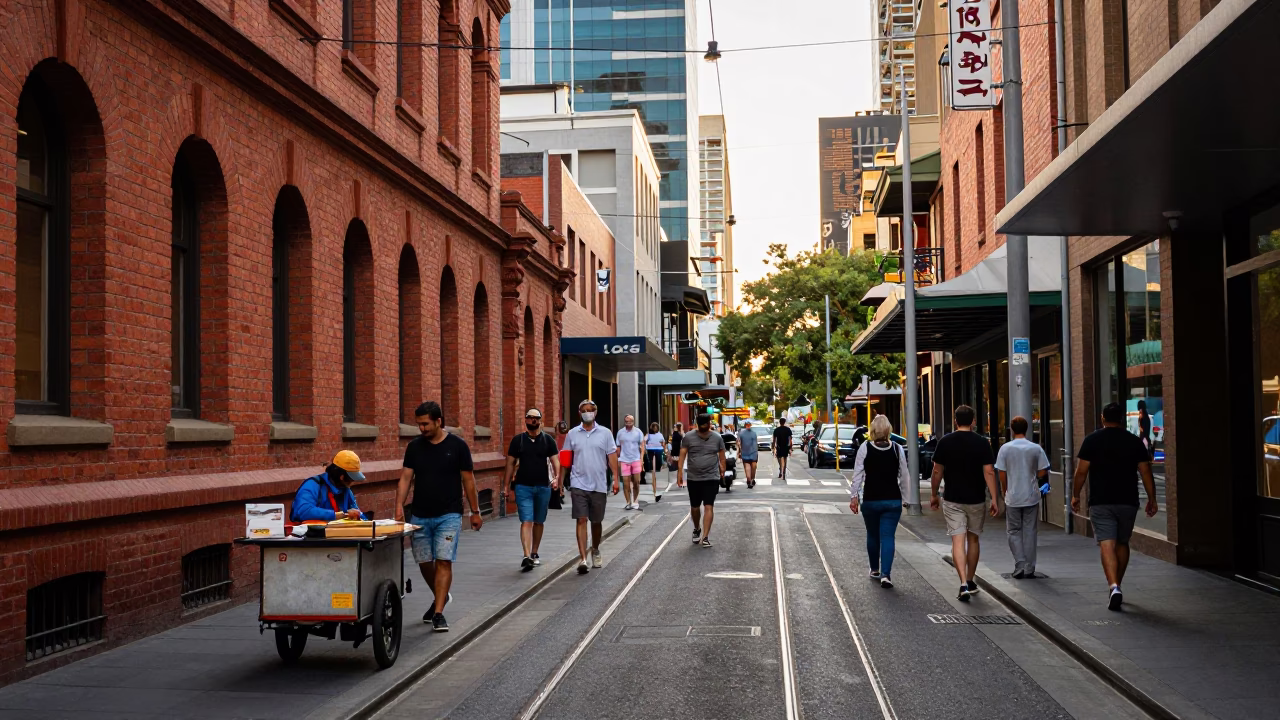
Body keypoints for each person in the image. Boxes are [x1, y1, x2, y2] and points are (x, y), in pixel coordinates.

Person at [395, 401, 482, 632]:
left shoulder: (458, 446)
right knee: (424, 562)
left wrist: (475, 511)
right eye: (419, 424)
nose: (421, 429)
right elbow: (405, 478)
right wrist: (398, 507)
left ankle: (439, 613)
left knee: (443, 560)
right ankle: (440, 596)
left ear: (438, 421)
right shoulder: (414, 447)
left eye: (425, 424)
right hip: (420, 515)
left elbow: (468, 480)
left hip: (449, 514)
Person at [1071, 402, 1159, 611]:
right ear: (1121, 419)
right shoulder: (1134, 442)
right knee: (1122, 542)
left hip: (1101, 500)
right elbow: (1146, 472)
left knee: (1106, 544)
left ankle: (1113, 586)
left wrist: (1075, 495)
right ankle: (1117, 585)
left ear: (1103, 418)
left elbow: (1081, 472)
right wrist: (1152, 499)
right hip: (1127, 500)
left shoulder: (1092, 440)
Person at [929, 405, 999, 602]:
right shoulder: (982, 443)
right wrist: (994, 498)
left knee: (957, 541)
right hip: (976, 499)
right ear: (974, 421)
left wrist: (934, 494)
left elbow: (937, 471)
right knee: (973, 539)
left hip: (953, 499)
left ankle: (961, 584)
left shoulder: (945, 442)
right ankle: (970, 580)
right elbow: (989, 471)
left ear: (955, 421)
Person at [849, 415, 910, 588]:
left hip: (871, 500)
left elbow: (858, 475)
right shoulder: (897, 449)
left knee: (873, 535)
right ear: (888, 430)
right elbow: (904, 476)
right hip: (892, 500)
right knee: (888, 536)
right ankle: (886, 575)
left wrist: (854, 497)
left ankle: (875, 569)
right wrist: (906, 499)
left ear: (873, 430)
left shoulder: (865, 447)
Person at [561, 399, 621, 574]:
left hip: (599, 484)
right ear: (579, 413)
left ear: (595, 412)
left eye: (590, 410)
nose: (587, 412)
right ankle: (583, 559)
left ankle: (595, 548)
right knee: (581, 519)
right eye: (584, 410)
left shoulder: (605, 433)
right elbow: (566, 459)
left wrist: (616, 478)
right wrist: (560, 480)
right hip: (578, 483)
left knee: (596, 521)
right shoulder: (572, 434)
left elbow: (611, 457)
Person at [502, 408, 561, 572]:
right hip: (523, 487)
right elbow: (510, 464)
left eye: (536, 418)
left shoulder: (548, 440)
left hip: (543, 487)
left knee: (539, 521)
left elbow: (556, 461)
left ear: (541, 421)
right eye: (530, 418)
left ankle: (534, 552)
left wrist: (557, 478)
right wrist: (506, 486)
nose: (533, 421)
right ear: (525, 420)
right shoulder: (518, 441)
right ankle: (526, 555)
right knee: (526, 520)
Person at [995, 416, 1050, 579]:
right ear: (1027, 429)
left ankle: (1019, 563)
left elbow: (1002, 474)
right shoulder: (1035, 448)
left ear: (1011, 429)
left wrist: (1005, 491)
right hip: (1031, 495)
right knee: (1030, 531)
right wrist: (1032, 474)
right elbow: (1042, 471)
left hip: (1013, 496)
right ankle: (1029, 566)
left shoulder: (1005, 449)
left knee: (1013, 530)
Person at [677, 413, 726, 547]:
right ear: (697, 425)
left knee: (709, 505)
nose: (705, 427)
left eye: (707, 424)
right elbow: (682, 455)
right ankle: (697, 528)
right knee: (695, 507)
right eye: (702, 425)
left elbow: (722, 457)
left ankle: (705, 537)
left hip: (711, 477)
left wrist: (723, 470)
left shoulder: (717, 438)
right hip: (694, 477)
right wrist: (679, 473)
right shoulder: (688, 437)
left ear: (710, 424)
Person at [290, 450, 368, 523]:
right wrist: (337, 515)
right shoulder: (313, 485)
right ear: (342, 477)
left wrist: (360, 517)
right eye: (351, 479)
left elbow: (359, 515)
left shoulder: (346, 490)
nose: (352, 483)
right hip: (312, 535)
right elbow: (303, 511)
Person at [616, 415, 646, 511]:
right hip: (624, 460)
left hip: (636, 459)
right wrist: (618, 459)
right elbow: (618, 447)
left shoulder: (638, 432)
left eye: (630, 421)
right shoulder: (620, 433)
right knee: (626, 483)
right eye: (627, 421)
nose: (628, 423)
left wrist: (641, 460)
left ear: (633, 422)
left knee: (636, 481)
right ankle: (628, 502)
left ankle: (635, 501)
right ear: (624, 422)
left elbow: (642, 446)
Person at [644, 422, 667, 500]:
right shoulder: (648, 435)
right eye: (653, 427)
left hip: (658, 450)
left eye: (656, 427)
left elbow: (663, 442)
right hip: (650, 450)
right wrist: (645, 447)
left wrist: (665, 449)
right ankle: (652, 470)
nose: (654, 429)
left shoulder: (660, 434)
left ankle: (657, 468)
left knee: (658, 465)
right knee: (652, 466)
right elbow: (644, 441)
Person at [737, 420, 760, 488]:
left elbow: (738, 443)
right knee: (752, 467)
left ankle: (750, 480)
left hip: (747, 452)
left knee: (750, 467)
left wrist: (739, 451)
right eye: (748, 425)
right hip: (752, 453)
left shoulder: (741, 433)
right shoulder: (753, 433)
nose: (748, 426)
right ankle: (751, 479)